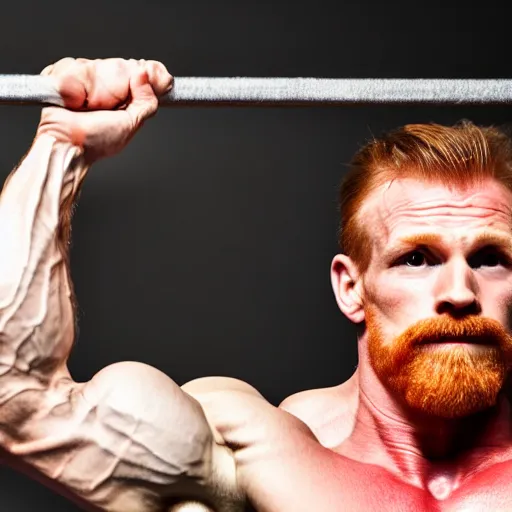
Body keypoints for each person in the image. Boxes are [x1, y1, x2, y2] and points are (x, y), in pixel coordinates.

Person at [1, 57, 512, 512]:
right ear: (350, 288)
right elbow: (15, 397)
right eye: (417, 259)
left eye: (492, 259)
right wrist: (62, 147)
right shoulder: (258, 458)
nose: (460, 293)